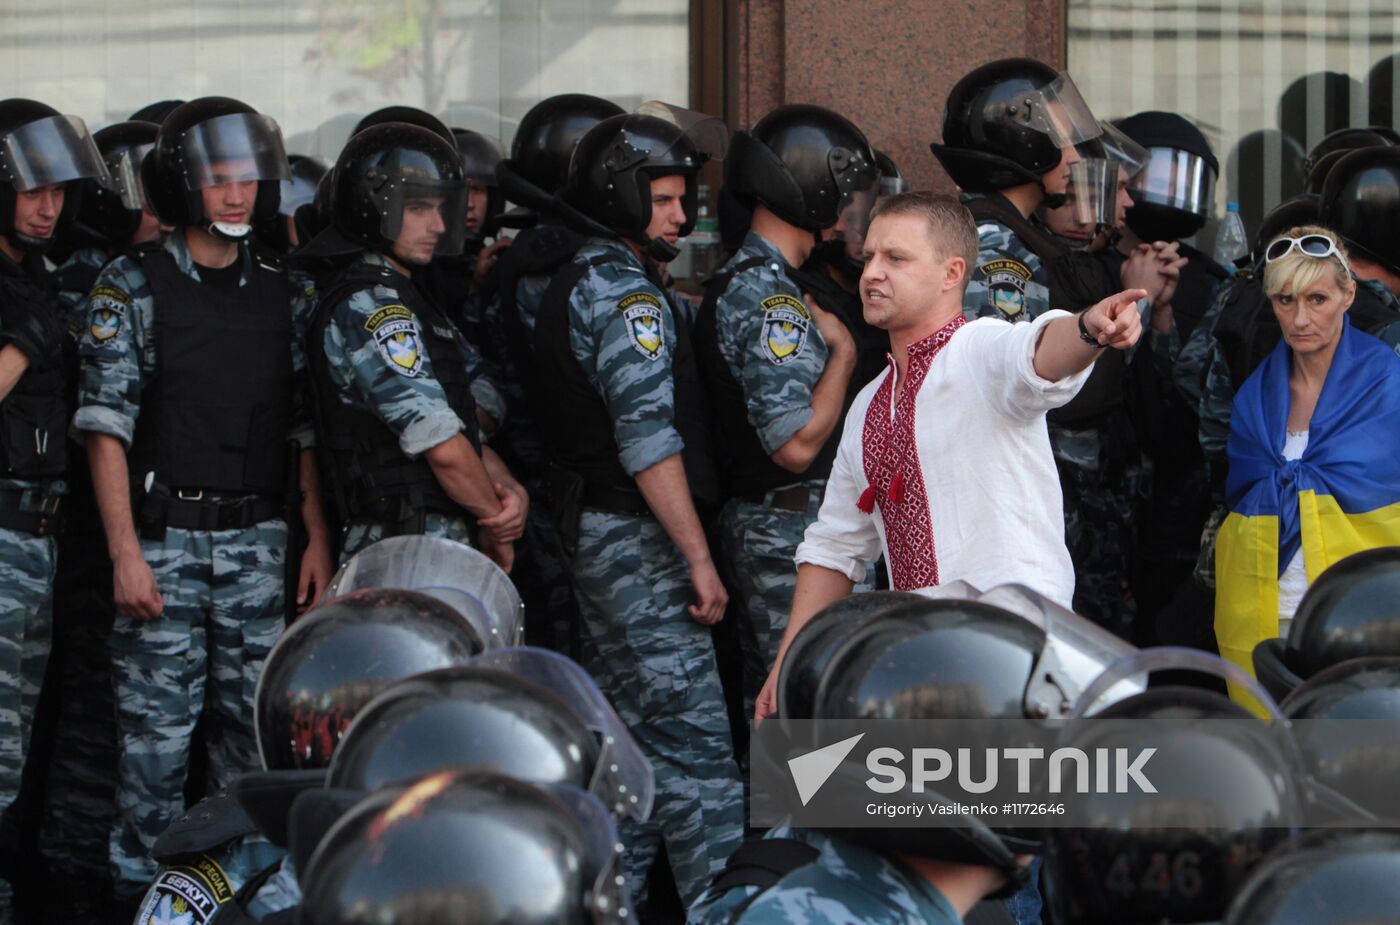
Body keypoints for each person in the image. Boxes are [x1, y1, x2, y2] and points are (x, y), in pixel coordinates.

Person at [72, 96, 335, 901]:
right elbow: (104, 428)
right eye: (219, 180)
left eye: (248, 181)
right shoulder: (133, 285)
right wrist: (124, 552)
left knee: (252, 749)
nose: (236, 196)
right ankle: (140, 900)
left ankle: (243, 901)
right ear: (185, 185)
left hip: (257, 544)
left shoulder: (282, 293)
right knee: (154, 751)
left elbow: (301, 430)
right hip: (165, 545)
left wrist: (316, 537)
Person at [754, 191, 1144, 721]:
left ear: (951, 272)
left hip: (1020, 668)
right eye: (869, 256)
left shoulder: (980, 350)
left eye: (896, 257)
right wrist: (787, 664)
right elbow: (834, 547)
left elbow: (1035, 354)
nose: (872, 273)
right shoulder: (869, 405)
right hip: (929, 675)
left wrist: (1086, 329)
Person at [533, 106, 744, 911]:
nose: (682, 214)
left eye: (683, 197)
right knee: (700, 770)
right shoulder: (627, 297)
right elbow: (649, 443)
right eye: (661, 199)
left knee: (633, 763)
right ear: (619, 198)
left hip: (603, 539)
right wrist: (697, 557)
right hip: (641, 546)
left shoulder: (582, 277)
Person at [694, 102, 876, 716]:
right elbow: (794, 444)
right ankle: (802, 817)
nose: (852, 208)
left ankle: (786, 813)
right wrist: (845, 355)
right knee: (814, 710)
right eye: (843, 190)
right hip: (789, 530)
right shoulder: (772, 296)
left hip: (779, 526)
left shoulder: (762, 281)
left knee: (783, 711)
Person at [39, 116, 169, 919]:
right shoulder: (91, 277)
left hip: (127, 519)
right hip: (89, 528)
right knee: (90, 712)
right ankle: (69, 872)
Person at [300, 121, 525, 565]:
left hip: (435, 539)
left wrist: (509, 494)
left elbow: (465, 417)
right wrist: (494, 521)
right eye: (419, 208)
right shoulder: (370, 305)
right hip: (402, 545)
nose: (439, 225)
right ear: (373, 207)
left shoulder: (410, 297)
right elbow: (441, 445)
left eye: (442, 208)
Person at [0, 97, 109, 922]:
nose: (49, 206)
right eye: (31, 189)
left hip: (35, 537)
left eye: (58, 190)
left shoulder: (32, 277)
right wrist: (26, 337)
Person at [1214, 226, 1400, 694]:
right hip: (1264, 612)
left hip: (1365, 617)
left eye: (1317, 299)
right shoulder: (1252, 398)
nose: (1300, 318)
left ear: (1348, 294)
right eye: (1285, 300)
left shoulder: (1390, 385)